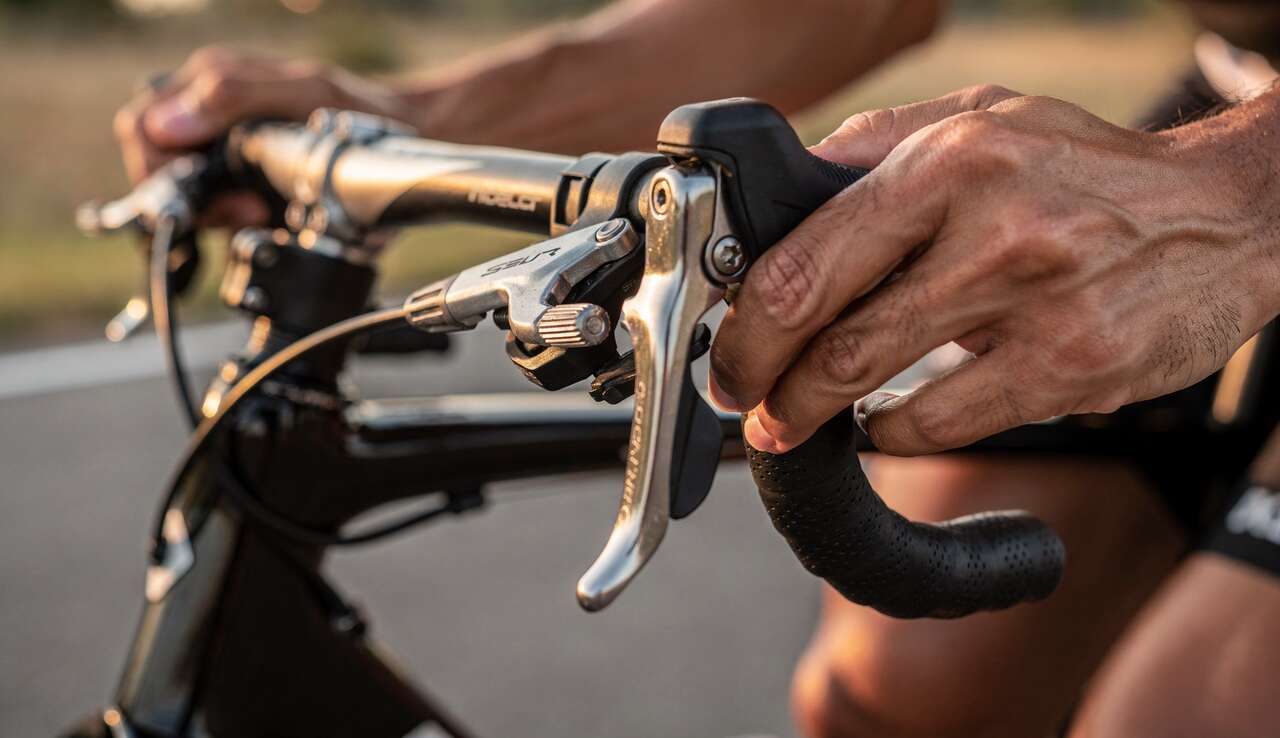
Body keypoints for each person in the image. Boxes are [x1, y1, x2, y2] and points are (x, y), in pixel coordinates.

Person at [113, 1, 1280, 736]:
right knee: (887, 697)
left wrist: (1239, 198)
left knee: (1184, 713)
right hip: (1233, 97)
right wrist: (389, 114)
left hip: (1247, 166)